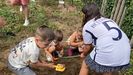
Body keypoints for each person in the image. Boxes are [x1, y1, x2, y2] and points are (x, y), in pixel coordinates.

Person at [79, 3, 131, 75]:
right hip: (125, 51)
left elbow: (87, 47)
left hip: (108, 50)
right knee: (108, 69)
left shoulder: (88, 25)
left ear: (86, 15)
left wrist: (84, 54)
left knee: (85, 64)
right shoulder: (109, 20)